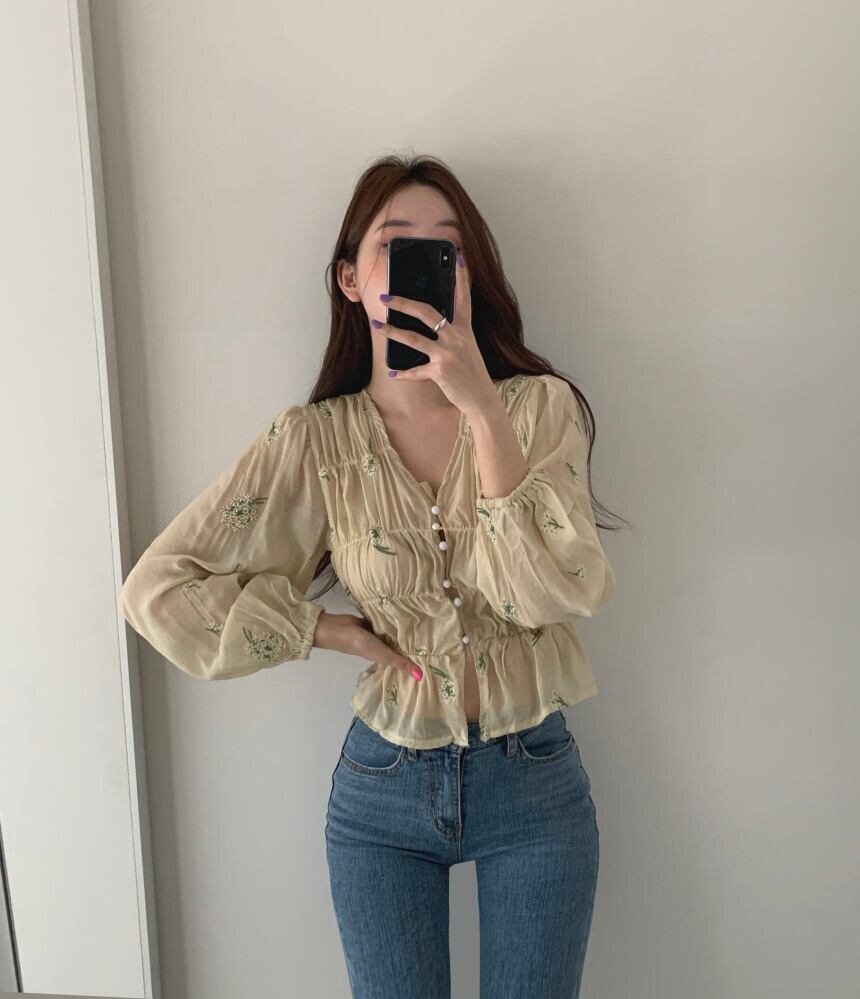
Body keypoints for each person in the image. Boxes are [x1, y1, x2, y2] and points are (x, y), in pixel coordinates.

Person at [120, 153, 627, 998]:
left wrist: (481, 406)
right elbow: (157, 589)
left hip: (534, 781)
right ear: (351, 279)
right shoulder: (313, 441)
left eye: (446, 249)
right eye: (396, 245)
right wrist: (319, 629)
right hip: (382, 790)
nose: (425, 265)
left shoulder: (538, 409)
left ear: (470, 274)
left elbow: (549, 590)